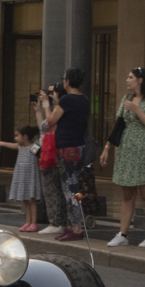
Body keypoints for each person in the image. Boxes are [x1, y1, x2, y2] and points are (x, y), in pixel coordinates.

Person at [102, 67, 145, 247]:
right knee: (127, 193)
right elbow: (119, 125)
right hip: (126, 148)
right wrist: (107, 147)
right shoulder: (125, 99)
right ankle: (122, 233)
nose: (127, 80)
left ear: (140, 80)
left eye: (130, 77)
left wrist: (136, 109)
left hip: (143, 147)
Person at [40, 68, 89, 241]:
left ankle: (76, 228)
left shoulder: (68, 99)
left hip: (66, 147)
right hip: (78, 146)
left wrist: (47, 104)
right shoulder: (84, 100)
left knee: (70, 188)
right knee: (73, 187)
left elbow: (51, 121)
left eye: (64, 79)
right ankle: (72, 225)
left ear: (68, 81)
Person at [0, 126, 40, 231]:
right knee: (26, 200)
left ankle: (34, 223)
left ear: (25, 137)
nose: (15, 138)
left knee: (31, 200)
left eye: (17, 136)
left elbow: (42, 156)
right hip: (22, 177)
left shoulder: (34, 147)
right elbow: (4, 144)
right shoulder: (20, 147)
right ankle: (28, 222)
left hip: (30, 177)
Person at [34, 84, 69, 235]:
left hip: (54, 154)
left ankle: (56, 222)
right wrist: (38, 110)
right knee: (53, 190)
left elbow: (49, 122)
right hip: (47, 151)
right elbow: (43, 127)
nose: (48, 95)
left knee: (53, 190)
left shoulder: (59, 110)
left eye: (51, 92)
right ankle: (58, 221)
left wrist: (47, 105)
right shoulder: (54, 110)